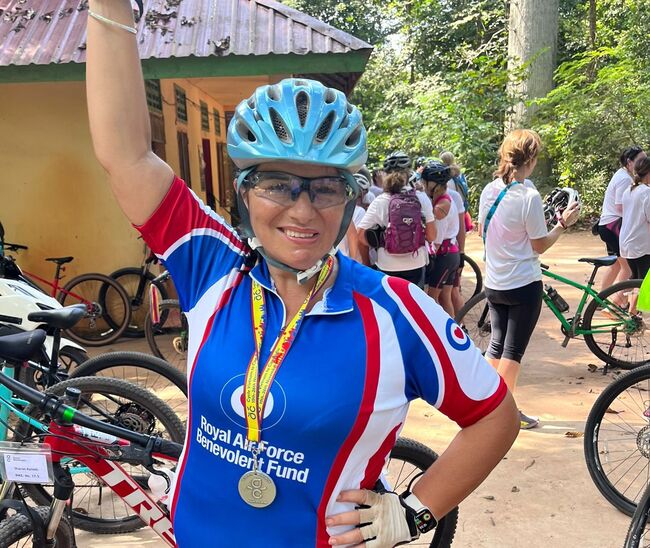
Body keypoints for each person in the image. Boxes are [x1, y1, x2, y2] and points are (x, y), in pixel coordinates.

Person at [86, 2, 519, 544]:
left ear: (349, 198)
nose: (303, 210)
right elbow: (125, 154)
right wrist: (108, 7)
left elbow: (495, 418)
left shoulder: (396, 313)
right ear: (244, 191)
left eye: (326, 187)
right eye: (277, 184)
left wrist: (414, 511)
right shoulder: (210, 266)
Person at [479, 129, 579, 430]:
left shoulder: (489, 190)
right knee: (512, 351)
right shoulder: (529, 196)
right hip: (523, 283)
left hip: (494, 282)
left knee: (496, 345)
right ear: (531, 159)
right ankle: (504, 415)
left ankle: (480, 403)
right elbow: (539, 244)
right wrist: (562, 224)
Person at [357, 161, 435, 288]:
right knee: (413, 305)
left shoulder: (380, 201)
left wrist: (380, 242)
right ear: (408, 174)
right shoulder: (421, 198)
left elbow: (360, 236)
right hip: (416, 263)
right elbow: (432, 236)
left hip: (387, 265)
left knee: (388, 306)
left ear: (385, 175)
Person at [597, 146, 646, 294]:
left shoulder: (623, 175)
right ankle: (620, 301)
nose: (644, 163)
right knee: (629, 268)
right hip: (614, 225)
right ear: (629, 162)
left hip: (607, 225)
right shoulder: (625, 179)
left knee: (617, 265)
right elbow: (620, 206)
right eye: (641, 160)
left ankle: (601, 299)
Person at [421, 161, 461, 316]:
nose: (423, 186)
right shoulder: (445, 198)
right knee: (445, 298)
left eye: (425, 183)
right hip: (451, 253)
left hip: (444, 256)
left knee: (432, 298)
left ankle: (442, 335)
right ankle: (456, 330)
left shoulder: (441, 207)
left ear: (433, 185)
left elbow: (436, 240)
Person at [620, 156, 650, 281]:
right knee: (643, 283)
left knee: (636, 280)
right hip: (640, 245)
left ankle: (628, 301)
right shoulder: (646, 192)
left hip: (627, 244)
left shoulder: (629, 190)